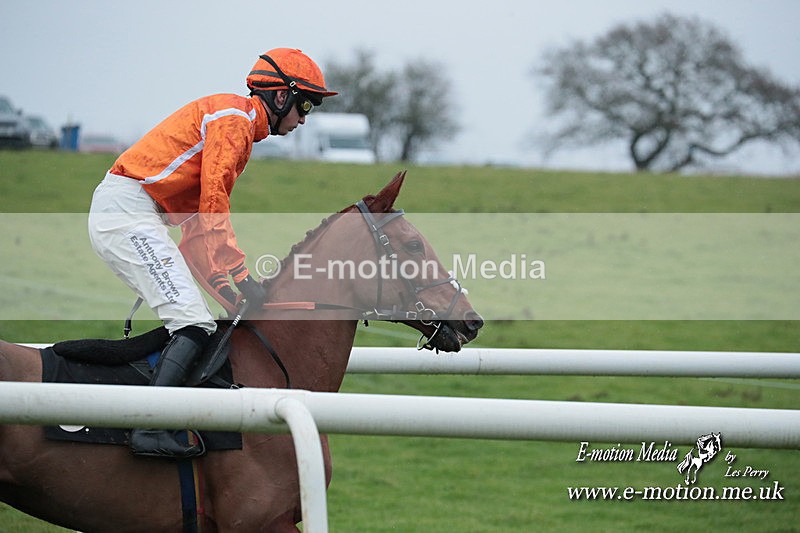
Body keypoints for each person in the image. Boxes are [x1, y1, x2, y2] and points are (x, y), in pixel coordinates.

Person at [87, 48, 337, 458]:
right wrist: (241, 275)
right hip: (127, 215)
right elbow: (213, 205)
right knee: (192, 323)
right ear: (281, 96)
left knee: (197, 322)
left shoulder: (239, 126)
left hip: (135, 214)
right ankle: (149, 427)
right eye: (306, 105)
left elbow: (195, 233)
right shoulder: (234, 119)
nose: (304, 119)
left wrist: (233, 296)